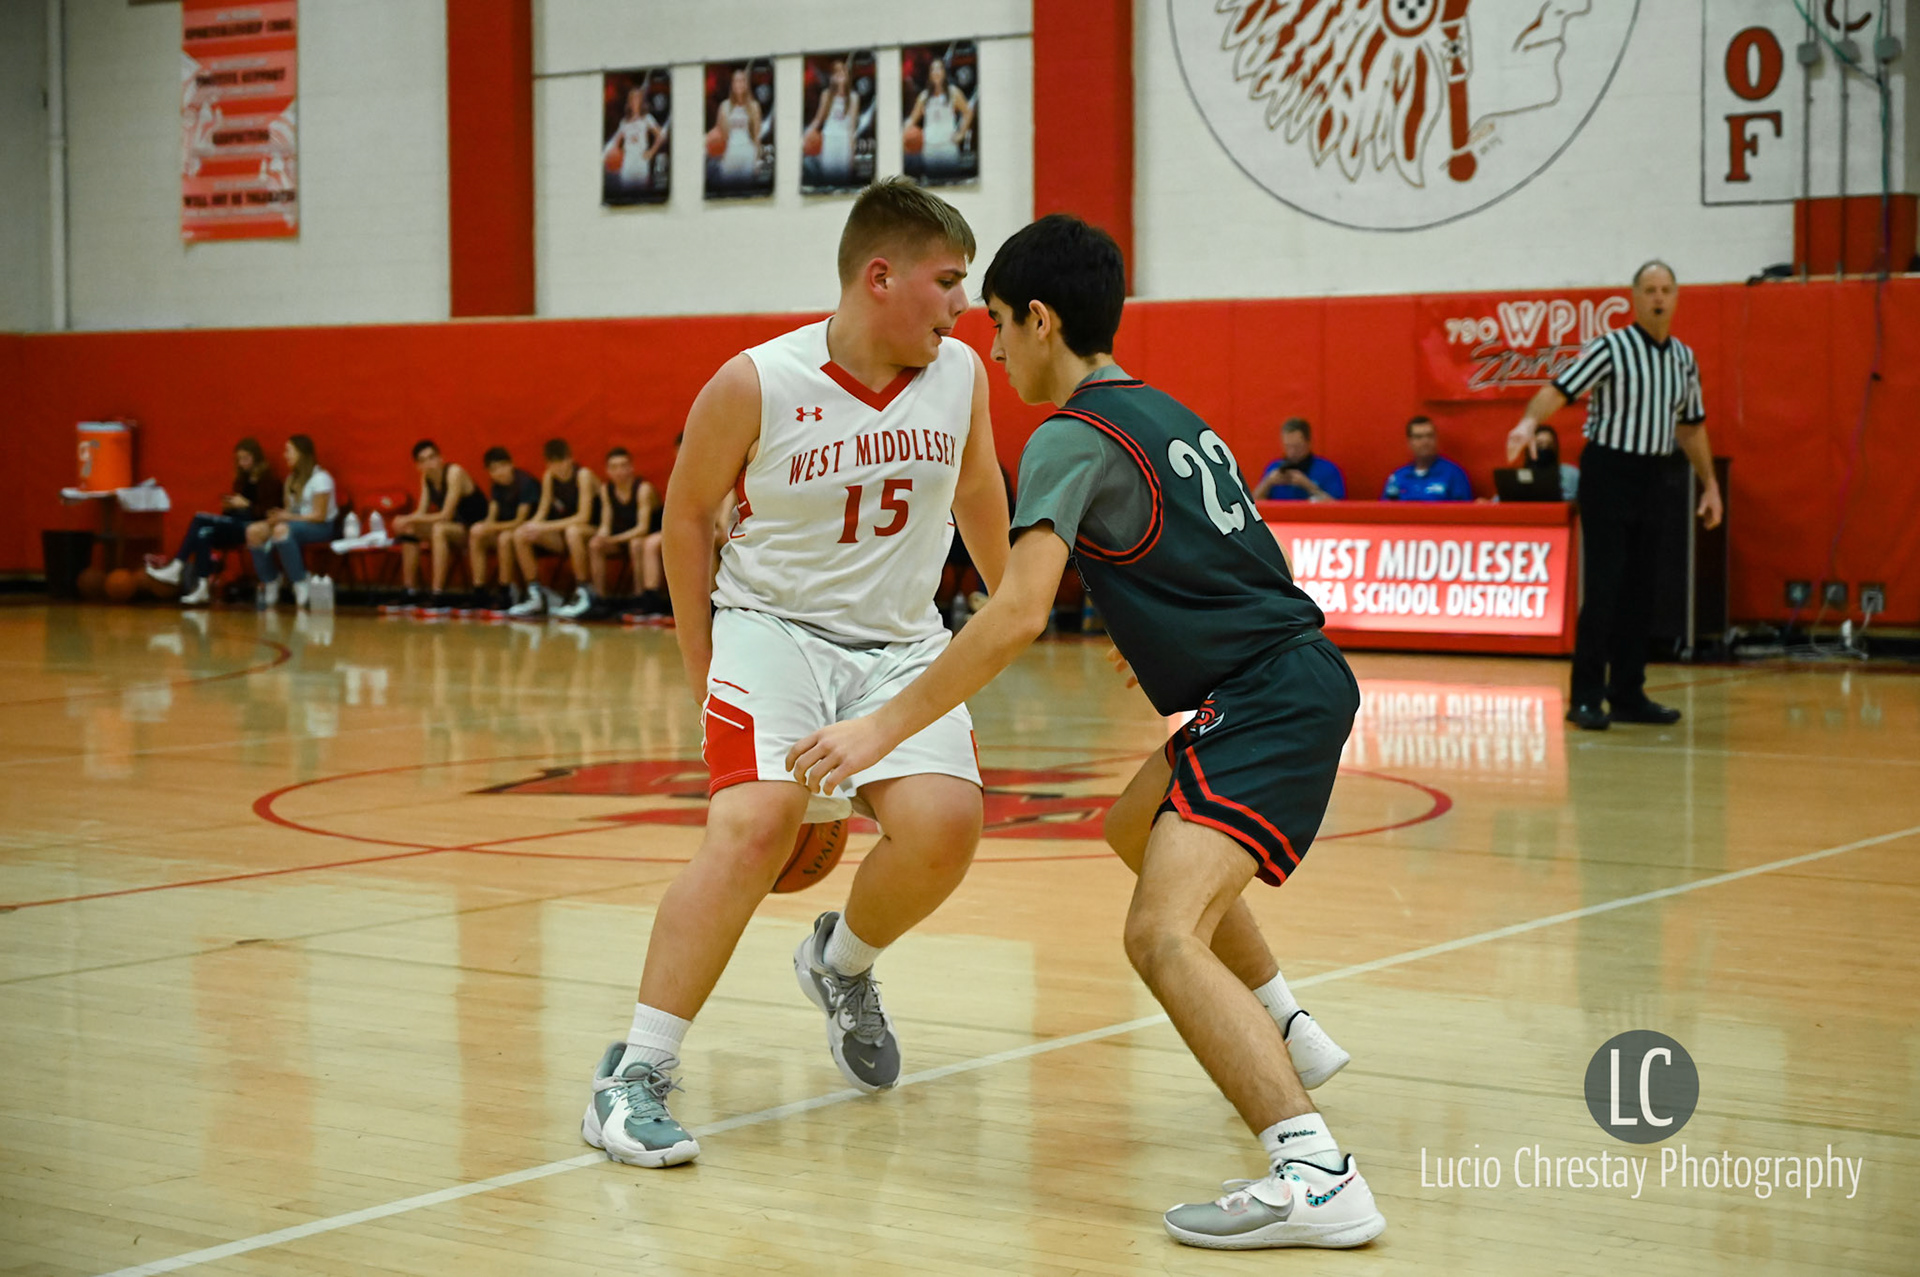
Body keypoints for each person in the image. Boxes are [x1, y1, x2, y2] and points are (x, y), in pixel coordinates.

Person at [784, 214, 1384, 1251]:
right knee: (1133, 825)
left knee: (1159, 934)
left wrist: (879, 727)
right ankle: (1282, 1021)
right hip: (1284, 674)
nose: (989, 346)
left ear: (1041, 319)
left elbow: (1017, 612)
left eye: (996, 323)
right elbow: (1241, 562)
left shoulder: (1069, 432)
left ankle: (1316, 1171)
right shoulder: (1165, 410)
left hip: (1267, 694)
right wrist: (1168, 632)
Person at [581, 178, 1010, 1170]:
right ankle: (634, 1073)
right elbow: (686, 517)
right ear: (880, 277)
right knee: (754, 824)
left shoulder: (960, 377)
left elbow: (979, 487)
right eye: (948, 281)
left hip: (900, 641)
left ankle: (839, 962)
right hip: (772, 629)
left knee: (946, 826)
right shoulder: (755, 381)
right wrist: (704, 665)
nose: (962, 305)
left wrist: (1020, 595)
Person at [1507, 260, 1724, 731]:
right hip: (1609, 471)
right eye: (1650, 289)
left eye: (1665, 289)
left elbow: (1691, 427)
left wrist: (1710, 484)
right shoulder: (1611, 347)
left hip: (1655, 474)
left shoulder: (1684, 359)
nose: (1658, 297)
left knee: (1642, 589)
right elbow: (1559, 389)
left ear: (1676, 297)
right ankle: (1585, 696)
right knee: (1605, 585)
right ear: (1635, 297)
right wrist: (1528, 422)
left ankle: (1628, 693)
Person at [146, 437, 277, 605]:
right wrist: (230, 505)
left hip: (252, 526)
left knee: (199, 517)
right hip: (234, 523)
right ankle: (202, 587)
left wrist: (248, 505)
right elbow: (230, 514)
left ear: (256, 457)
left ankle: (177, 566)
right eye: (239, 459)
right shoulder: (242, 480)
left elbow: (269, 512)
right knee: (203, 533)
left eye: (246, 458)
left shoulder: (268, 480)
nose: (242, 463)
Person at [557, 447, 658, 620]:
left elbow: (642, 528)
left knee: (636, 544)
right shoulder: (606, 489)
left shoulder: (643, 489)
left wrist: (613, 539)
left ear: (631, 467)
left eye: (623, 466)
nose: (619, 471)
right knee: (595, 545)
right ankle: (600, 600)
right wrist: (602, 536)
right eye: (614, 467)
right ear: (608, 471)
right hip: (620, 538)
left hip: (643, 537)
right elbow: (606, 523)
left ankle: (640, 598)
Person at [390, 439, 489, 615]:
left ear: (441, 458)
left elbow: (446, 515)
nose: (430, 463)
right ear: (418, 466)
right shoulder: (426, 478)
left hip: (477, 529)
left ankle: (438, 594)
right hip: (457, 529)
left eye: (432, 457)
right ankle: (410, 590)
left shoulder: (454, 473)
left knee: (439, 529)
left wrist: (409, 518)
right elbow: (421, 512)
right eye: (424, 460)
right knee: (409, 530)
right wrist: (405, 521)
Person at [506, 439, 600, 619]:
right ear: (548, 464)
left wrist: (544, 526)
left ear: (571, 459)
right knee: (521, 535)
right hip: (566, 533)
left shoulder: (583, 475)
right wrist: (530, 525)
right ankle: (536, 594)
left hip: (593, 531)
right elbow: (541, 512)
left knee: (573, 531)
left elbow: (583, 517)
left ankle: (583, 591)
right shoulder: (549, 476)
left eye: (562, 462)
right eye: (554, 463)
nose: (559, 467)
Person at [247, 435, 335, 609]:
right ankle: (271, 580)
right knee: (253, 531)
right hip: (296, 524)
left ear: (301, 453)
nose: (285, 455)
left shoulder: (321, 478)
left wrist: (287, 518)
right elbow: (291, 510)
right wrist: (279, 515)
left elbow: (319, 516)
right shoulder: (291, 480)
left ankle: (300, 581)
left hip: (321, 527)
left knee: (282, 530)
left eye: (289, 451)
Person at [468, 447, 541, 616]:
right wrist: (483, 527)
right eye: (493, 469)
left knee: (505, 538)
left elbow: (519, 521)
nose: (499, 472)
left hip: (532, 534)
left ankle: (505, 590)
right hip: (508, 530)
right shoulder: (496, 486)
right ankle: (479, 590)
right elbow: (492, 517)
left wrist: (490, 527)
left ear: (511, 464)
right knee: (476, 534)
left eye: (502, 466)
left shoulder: (526, 482)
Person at [1251, 418, 1345, 502]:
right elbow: (1252, 505)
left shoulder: (1327, 470)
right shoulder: (1273, 468)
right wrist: (1267, 483)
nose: (1292, 452)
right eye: (1288, 446)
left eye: (1297, 447)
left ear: (1309, 443)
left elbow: (1337, 506)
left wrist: (1308, 486)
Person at [907, 57, 973, 176]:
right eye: (933, 69)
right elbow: (911, 120)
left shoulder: (953, 92)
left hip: (948, 148)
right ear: (929, 74)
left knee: (951, 184)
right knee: (933, 185)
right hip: (930, 149)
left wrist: (961, 134)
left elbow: (968, 112)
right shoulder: (924, 97)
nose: (936, 72)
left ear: (944, 72)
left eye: (939, 68)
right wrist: (902, 134)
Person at [1381, 416, 1472, 501]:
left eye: (1429, 436)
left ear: (1436, 439)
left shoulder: (1454, 475)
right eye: (1418, 437)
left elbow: (1464, 511)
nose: (1425, 442)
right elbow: (1384, 510)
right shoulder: (1398, 477)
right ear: (1409, 442)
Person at [805, 58, 860, 185]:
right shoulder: (826, 95)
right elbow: (818, 119)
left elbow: (852, 128)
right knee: (828, 178)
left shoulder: (853, 97)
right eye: (836, 72)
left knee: (843, 180)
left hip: (844, 141)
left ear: (847, 75)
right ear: (832, 77)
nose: (840, 74)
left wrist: (852, 153)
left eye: (842, 71)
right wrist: (806, 135)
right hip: (829, 140)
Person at [604, 84, 666, 193]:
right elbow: (615, 142)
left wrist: (651, 152)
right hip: (628, 165)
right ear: (629, 102)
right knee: (626, 194)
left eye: (637, 98)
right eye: (633, 98)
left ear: (641, 101)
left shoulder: (646, 118)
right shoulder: (624, 122)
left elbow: (661, 136)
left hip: (641, 164)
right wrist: (612, 156)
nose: (635, 101)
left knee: (642, 194)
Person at [713, 67, 763, 184]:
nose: (739, 84)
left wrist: (757, 160)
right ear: (732, 85)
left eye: (742, 81)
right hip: (730, 153)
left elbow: (757, 136)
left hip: (748, 152)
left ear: (746, 84)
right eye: (736, 81)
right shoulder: (724, 106)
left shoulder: (754, 106)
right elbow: (719, 135)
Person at [1531, 424, 1580, 501]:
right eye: (1539, 445)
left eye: (1549, 445)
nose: (1544, 448)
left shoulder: (1571, 474)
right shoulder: (1522, 477)